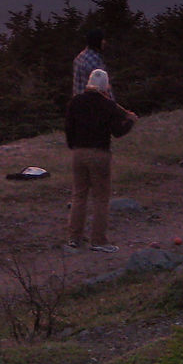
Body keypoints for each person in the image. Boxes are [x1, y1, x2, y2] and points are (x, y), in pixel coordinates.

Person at [65, 68, 138, 252]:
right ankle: (98, 241)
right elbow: (118, 132)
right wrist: (130, 121)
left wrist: (74, 146)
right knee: (100, 198)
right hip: (100, 154)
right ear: (105, 86)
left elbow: (69, 129)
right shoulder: (108, 105)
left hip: (78, 153)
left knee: (79, 196)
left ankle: (74, 238)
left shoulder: (76, 101)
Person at [72, 29, 113, 100]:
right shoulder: (94, 60)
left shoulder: (80, 57)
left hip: (79, 103)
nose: (104, 42)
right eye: (102, 40)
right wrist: (113, 106)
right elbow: (103, 89)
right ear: (96, 41)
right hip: (92, 105)